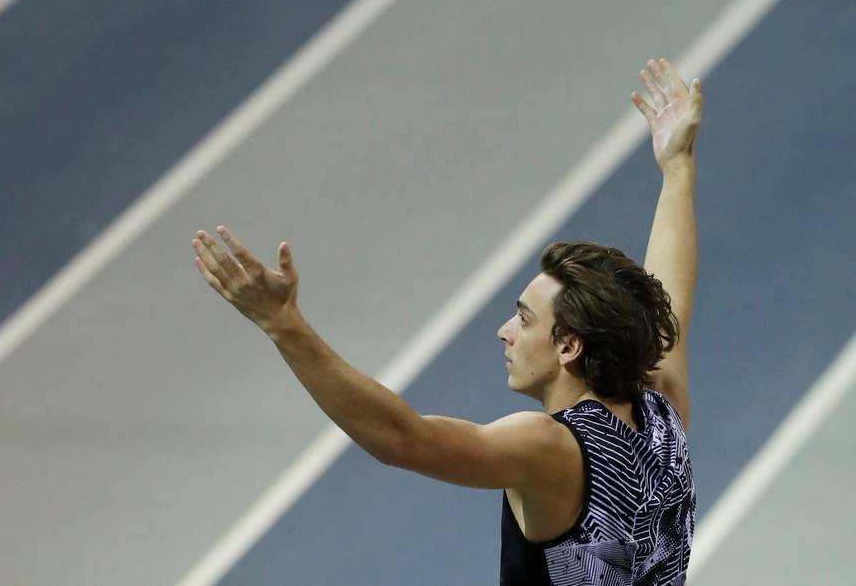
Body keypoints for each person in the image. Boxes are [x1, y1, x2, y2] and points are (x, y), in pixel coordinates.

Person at [191, 56, 702, 585]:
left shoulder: (550, 448)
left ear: (569, 346)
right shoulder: (662, 414)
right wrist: (677, 166)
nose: (505, 330)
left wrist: (283, 324)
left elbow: (402, 439)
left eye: (524, 319)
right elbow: (671, 300)